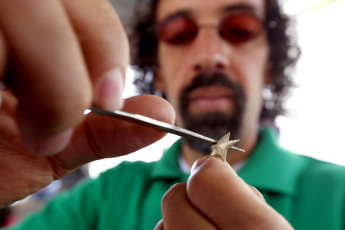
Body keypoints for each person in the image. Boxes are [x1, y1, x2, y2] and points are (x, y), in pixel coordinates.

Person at [0, 0, 344, 230]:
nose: (209, 55)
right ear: (158, 70)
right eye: (180, 34)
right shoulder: (104, 195)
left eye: (239, 29)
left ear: (270, 64)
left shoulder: (338, 193)